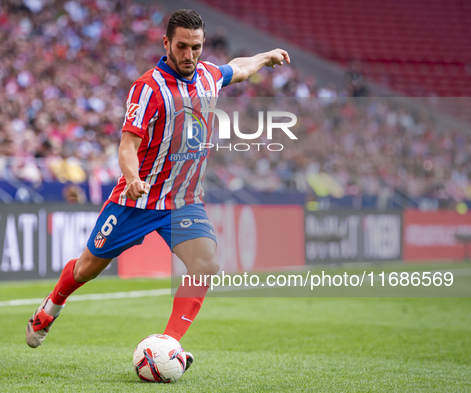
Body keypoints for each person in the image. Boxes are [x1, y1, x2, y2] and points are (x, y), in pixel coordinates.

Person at [26, 9, 290, 372]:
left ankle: (168, 345)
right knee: (87, 268)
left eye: (196, 47)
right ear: (166, 43)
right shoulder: (148, 87)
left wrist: (265, 56)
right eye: (181, 46)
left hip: (182, 202)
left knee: (206, 263)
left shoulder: (210, 76)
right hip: (136, 199)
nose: (189, 55)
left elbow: (239, 68)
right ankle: (50, 306)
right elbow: (126, 146)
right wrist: (132, 178)